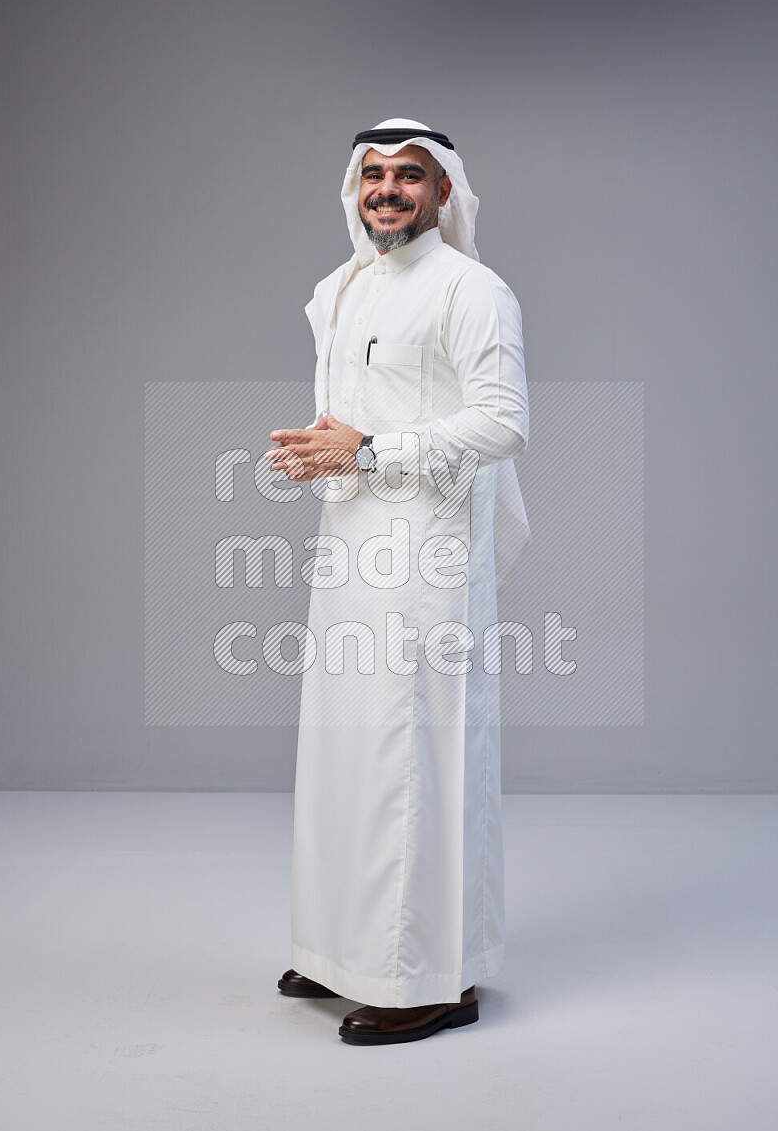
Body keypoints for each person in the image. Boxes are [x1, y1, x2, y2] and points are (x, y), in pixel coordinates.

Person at [264, 118, 531, 1045]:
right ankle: (345, 950)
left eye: (409, 176)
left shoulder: (472, 289)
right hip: (351, 543)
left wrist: (372, 450)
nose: (387, 190)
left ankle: (425, 975)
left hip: (427, 556)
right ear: (354, 188)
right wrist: (325, 451)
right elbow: (351, 414)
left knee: (410, 757)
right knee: (343, 750)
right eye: (373, 175)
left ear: (444, 191)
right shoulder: (340, 288)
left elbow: (501, 424)